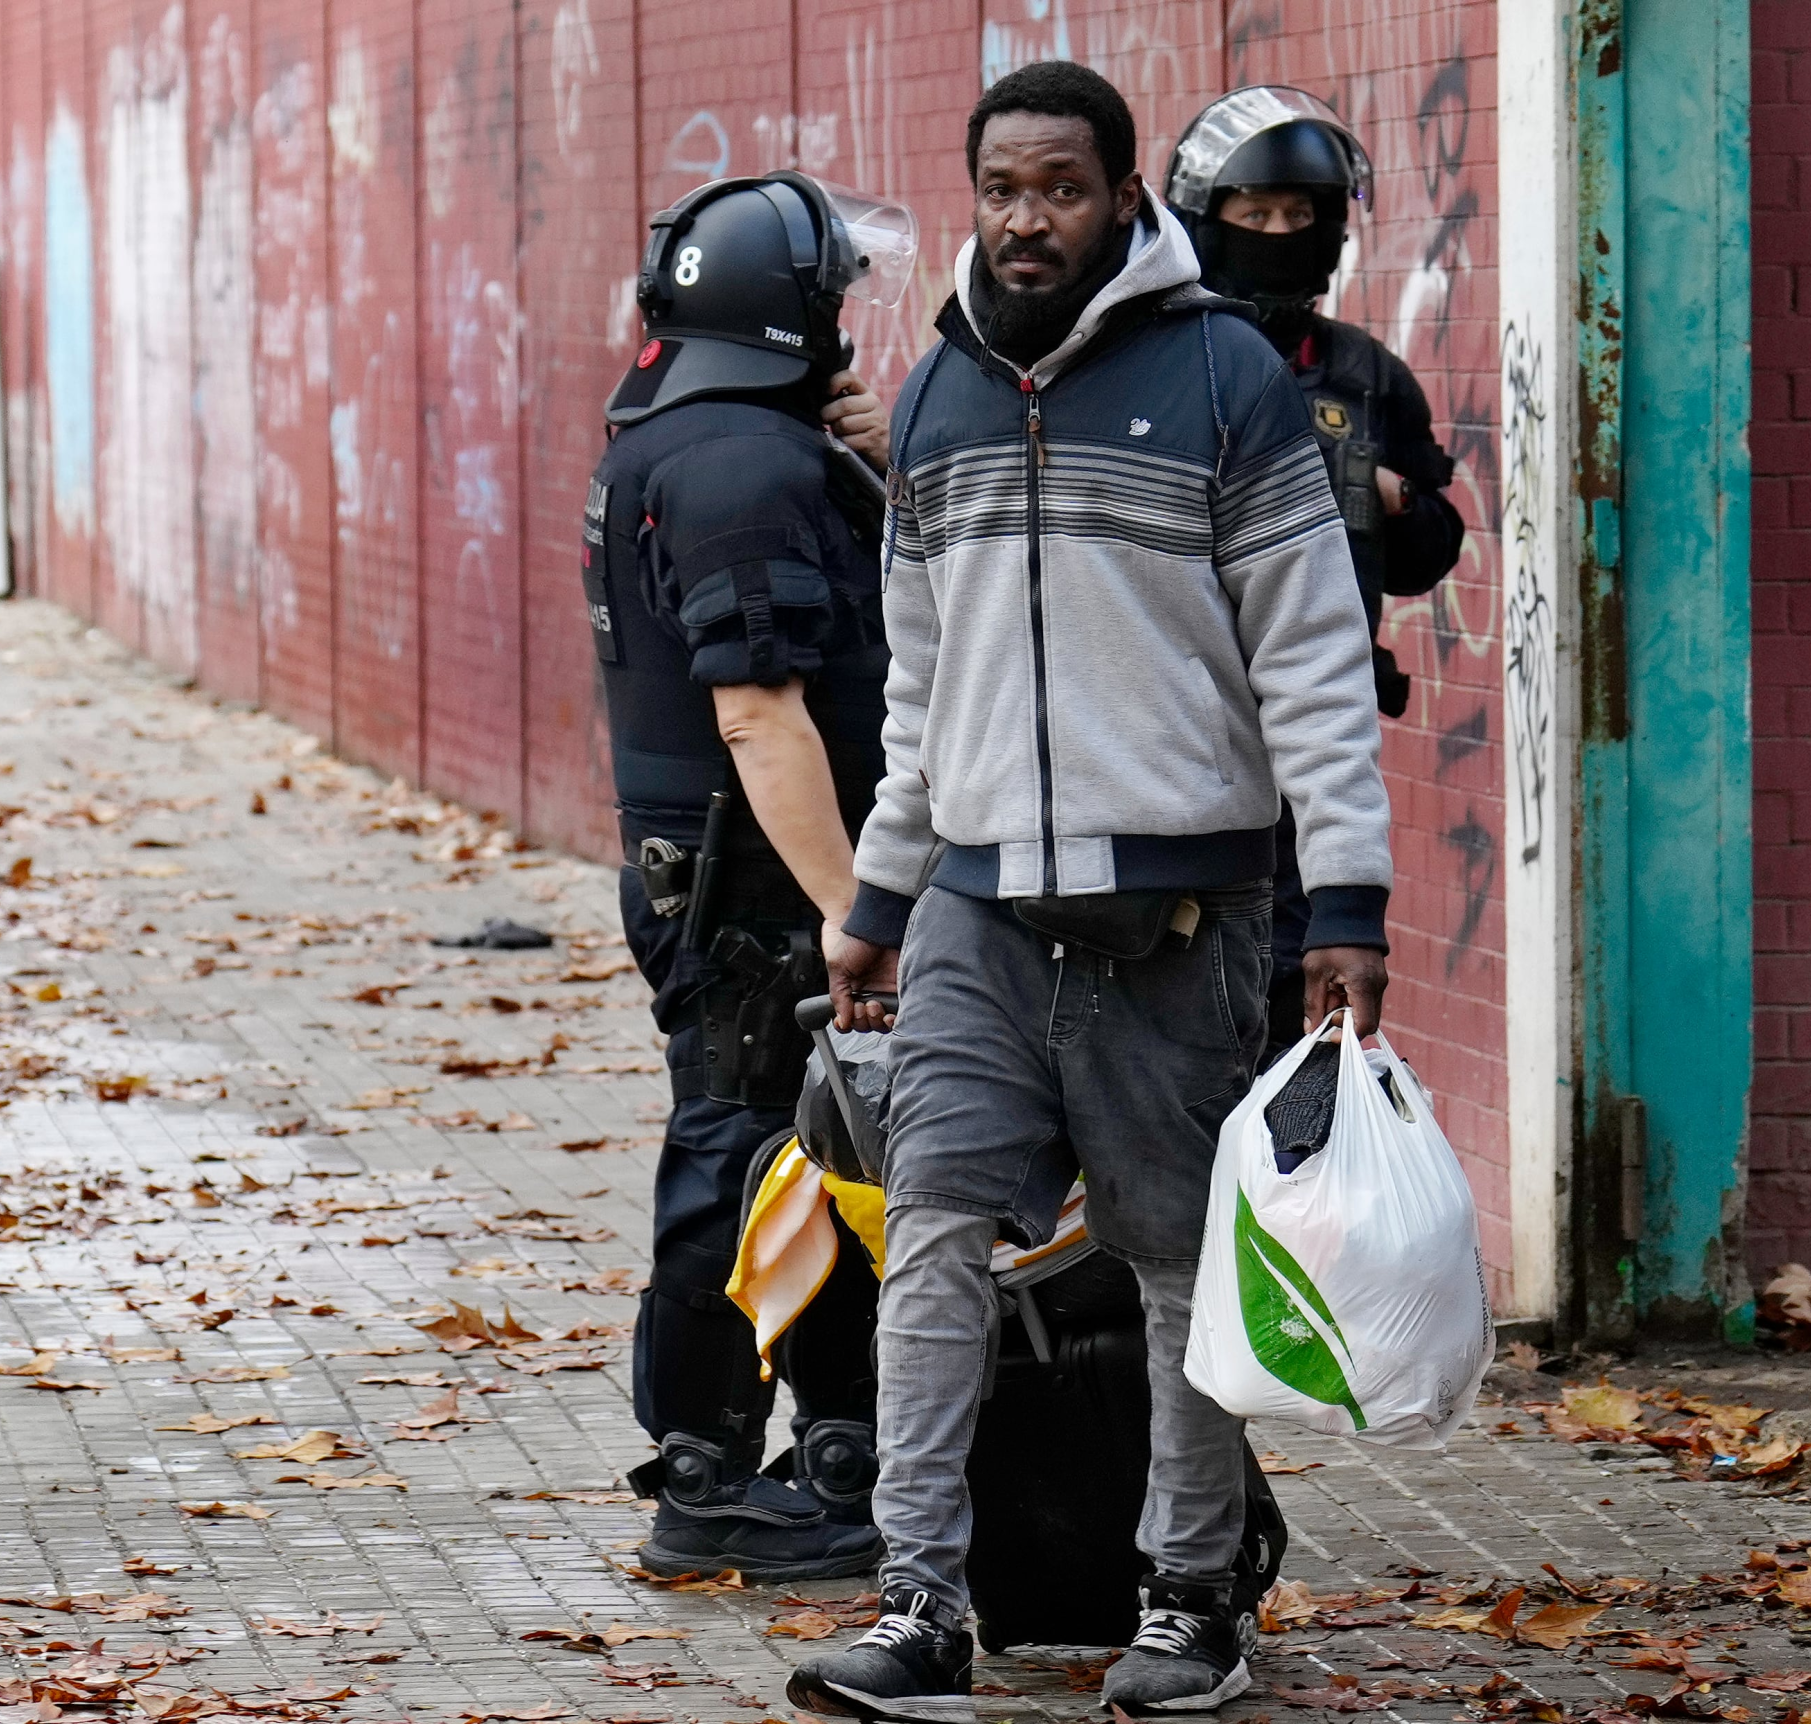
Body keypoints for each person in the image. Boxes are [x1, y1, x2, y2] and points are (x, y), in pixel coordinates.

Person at [787, 61, 1394, 1720]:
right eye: (1000, 188)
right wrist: (879, 898)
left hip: (1180, 922)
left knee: (1178, 1260)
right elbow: (921, 693)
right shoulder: (934, 402)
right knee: (927, 1240)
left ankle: (1192, 1598)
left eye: (1059, 187)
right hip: (979, 912)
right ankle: (918, 1600)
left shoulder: (1225, 384)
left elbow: (1319, 663)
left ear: (1127, 198)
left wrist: (1348, 898)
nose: (1025, 218)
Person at [585, 168, 916, 1582]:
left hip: (729, 876)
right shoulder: (742, 467)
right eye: (834, 299)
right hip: (756, 894)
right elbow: (760, 712)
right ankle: (710, 1477)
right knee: (737, 1154)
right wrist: (857, 909)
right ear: (799, 314)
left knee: (811, 1153)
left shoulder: (708, 436)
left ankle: (837, 1447)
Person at [1164, 86, 1466, 1057]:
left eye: (1302, 215)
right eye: (1254, 215)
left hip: (1311, 750)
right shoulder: (1162, 367)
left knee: (1292, 1015)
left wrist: (1389, 503)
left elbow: (1433, 549)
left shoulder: (1365, 376)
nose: (1279, 233)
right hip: (1179, 749)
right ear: (1204, 221)